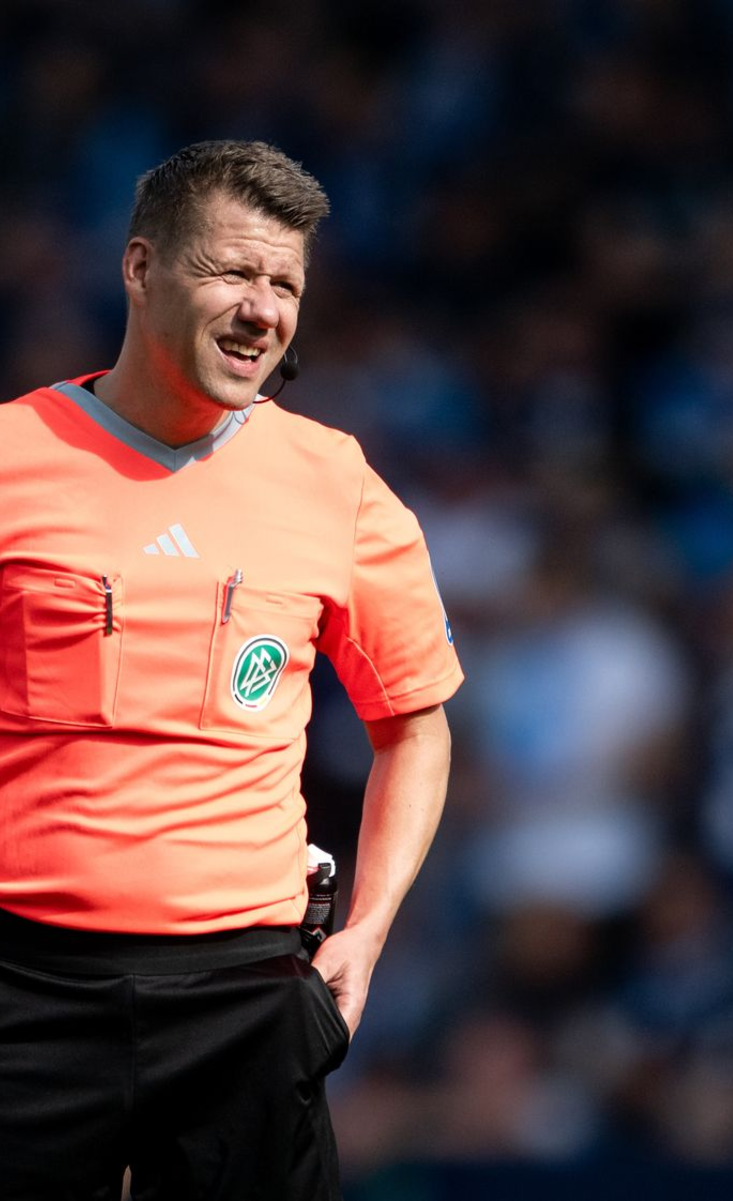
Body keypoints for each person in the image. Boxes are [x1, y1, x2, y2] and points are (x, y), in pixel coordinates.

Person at [0, 141, 462, 1199]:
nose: (263, 309)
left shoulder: (334, 480)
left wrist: (369, 930)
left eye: (286, 284)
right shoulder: (11, 458)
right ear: (140, 267)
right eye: (232, 271)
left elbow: (415, 725)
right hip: (23, 989)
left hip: (244, 997)